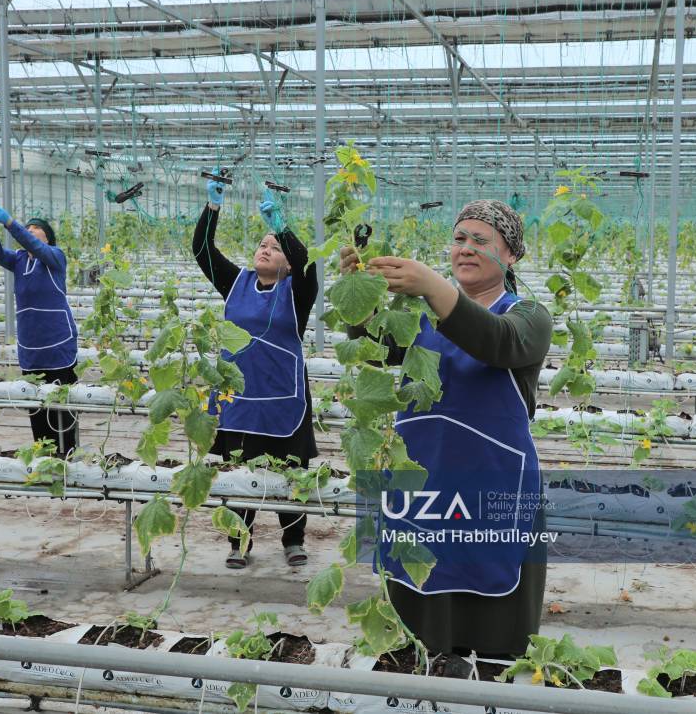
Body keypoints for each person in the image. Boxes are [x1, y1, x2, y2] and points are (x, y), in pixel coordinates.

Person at [340, 199, 552, 658]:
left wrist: (433, 287)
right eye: (459, 238)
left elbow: (496, 342)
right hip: (421, 492)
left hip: (492, 492)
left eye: (481, 240)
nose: (466, 248)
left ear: (511, 255)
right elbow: (374, 345)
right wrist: (357, 291)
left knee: (492, 638)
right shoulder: (417, 316)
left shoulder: (529, 317)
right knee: (419, 626)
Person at [193, 176, 319, 569]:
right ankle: (239, 542)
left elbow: (308, 265)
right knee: (237, 471)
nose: (266, 249)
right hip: (239, 398)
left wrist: (283, 227)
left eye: (275, 247)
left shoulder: (297, 290)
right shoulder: (237, 283)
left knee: (290, 473)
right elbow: (202, 250)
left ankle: (293, 539)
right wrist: (212, 208)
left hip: (283, 396)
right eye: (262, 245)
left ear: (288, 263)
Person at [0, 204, 79, 457]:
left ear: (48, 237)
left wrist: (10, 223)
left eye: (36, 228)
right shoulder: (19, 259)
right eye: (29, 227)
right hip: (30, 345)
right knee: (36, 404)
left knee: (61, 403)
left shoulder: (55, 256)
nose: (31, 230)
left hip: (57, 343)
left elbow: (34, 246)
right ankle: (44, 456)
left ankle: (68, 455)